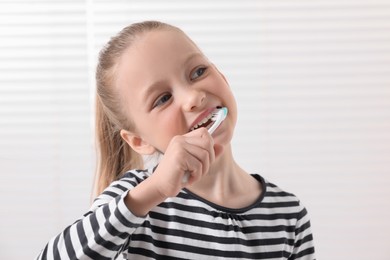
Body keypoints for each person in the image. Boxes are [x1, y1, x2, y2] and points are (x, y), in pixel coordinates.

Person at [36, 20, 315, 260]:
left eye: (198, 72)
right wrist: (151, 192)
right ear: (138, 141)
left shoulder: (288, 213)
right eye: (163, 99)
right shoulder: (136, 199)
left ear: (223, 77)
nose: (193, 97)